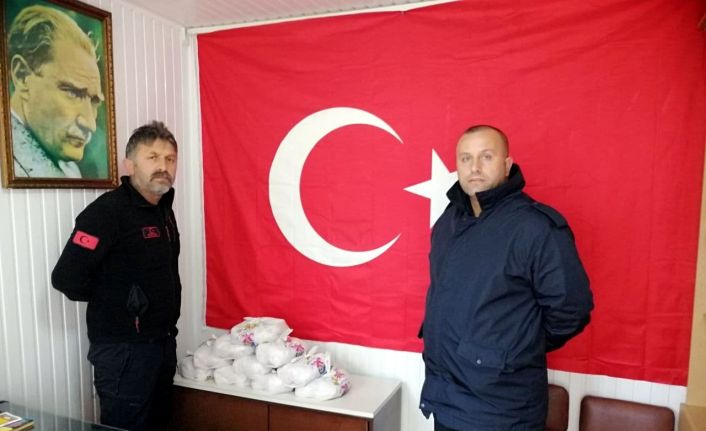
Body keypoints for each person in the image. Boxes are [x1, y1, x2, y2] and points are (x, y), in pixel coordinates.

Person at [419, 125, 594, 430]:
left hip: (502, 411)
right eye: (465, 158)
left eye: (486, 156)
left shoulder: (535, 227)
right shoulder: (449, 221)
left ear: (507, 164)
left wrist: (514, 345)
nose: (474, 167)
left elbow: (571, 311)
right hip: (445, 402)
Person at [52, 121, 180, 431]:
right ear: (130, 164)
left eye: (170, 159)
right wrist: (120, 300)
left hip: (161, 344)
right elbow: (66, 278)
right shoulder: (106, 213)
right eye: (152, 157)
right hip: (123, 352)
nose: (163, 167)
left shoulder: (163, 209)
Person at [8, 5, 104, 178]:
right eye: (73, 93)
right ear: (22, 76)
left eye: (94, 101)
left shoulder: (70, 169)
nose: (90, 124)